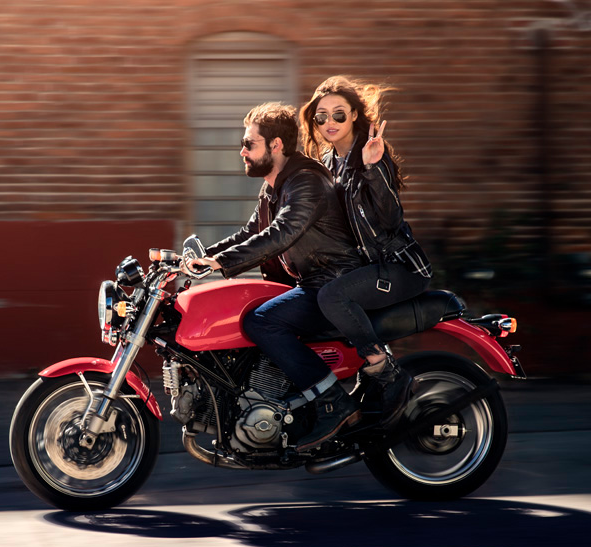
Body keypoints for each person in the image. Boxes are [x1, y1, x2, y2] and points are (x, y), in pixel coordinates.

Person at [184, 102, 364, 452]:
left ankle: (333, 402)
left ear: (276, 145)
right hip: (312, 283)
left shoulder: (306, 181)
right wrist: (200, 258)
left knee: (261, 321)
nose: (242, 151)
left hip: (333, 284)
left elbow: (280, 234)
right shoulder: (274, 187)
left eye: (249, 144)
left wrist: (219, 263)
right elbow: (250, 232)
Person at [299, 76, 433, 424]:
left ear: (355, 116)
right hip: (366, 268)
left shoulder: (372, 154)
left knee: (333, 298)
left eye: (339, 115)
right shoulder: (328, 163)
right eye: (321, 117)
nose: (329, 123)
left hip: (399, 267)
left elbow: (391, 219)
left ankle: (385, 370)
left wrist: (373, 167)